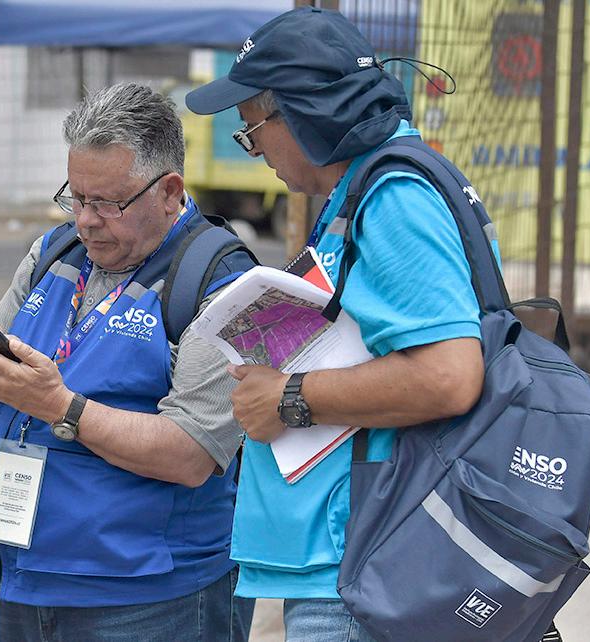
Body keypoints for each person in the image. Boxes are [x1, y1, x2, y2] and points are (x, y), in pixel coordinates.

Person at [185, 7, 487, 641]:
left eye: (252, 129)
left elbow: (449, 375)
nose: (254, 150)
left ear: (305, 111)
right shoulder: (366, 190)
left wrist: (289, 397)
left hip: (363, 565)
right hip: (355, 558)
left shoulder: (393, 197)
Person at [0, 83, 255, 642]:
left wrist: (59, 406)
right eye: (76, 197)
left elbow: (191, 453)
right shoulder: (53, 254)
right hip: (24, 576)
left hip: (149, 598)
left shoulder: (222, 282)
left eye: (107, 204)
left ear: (169, 192)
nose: (86, 220)